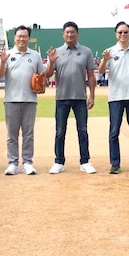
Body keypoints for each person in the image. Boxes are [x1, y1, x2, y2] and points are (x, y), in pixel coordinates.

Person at [45, 21, 97, 174]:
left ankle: (85, 161)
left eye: (72, 32)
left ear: (77, 34)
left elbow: (91, 75)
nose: (69, 34)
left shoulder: (86, 52)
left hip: (80, 97)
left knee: (83, 130)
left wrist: (92, 96)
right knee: (60, 131)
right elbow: (48, 75)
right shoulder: (56, 52)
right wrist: (51, 62)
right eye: (67, 32)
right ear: (63, 34)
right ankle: (59, 162)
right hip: (62, 98)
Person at [97, 21, 129, 175]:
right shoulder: (110, 52)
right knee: (114, 132)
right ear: (116, 34)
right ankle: (115, 163)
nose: (123, 34)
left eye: (125, 32)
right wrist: (105, 59)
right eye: (120, 32)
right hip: (116, 97)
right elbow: (100, 71)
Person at [0, 25, 45, 176]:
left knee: (28, 134)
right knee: (12, 134)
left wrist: (41, 85)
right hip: (11, 99)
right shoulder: (8, 54)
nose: (21, 39)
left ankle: (27, 163)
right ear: (15, 38)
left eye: (24, 36)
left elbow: (42, 75)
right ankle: (12, 163)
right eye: (19, 36)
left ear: (29, 38)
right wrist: (2, 61)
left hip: (30, 99)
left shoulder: (35, 55)